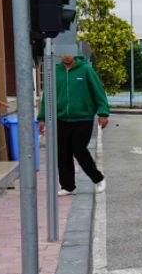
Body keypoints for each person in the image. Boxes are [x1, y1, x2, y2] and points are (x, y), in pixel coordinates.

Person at [37, 55, 109, 196]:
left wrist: (103, 112)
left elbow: (98, 91)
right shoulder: (55, 71)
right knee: (63, 153)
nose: (66, 56)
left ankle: (98, 178)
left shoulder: (86, 70)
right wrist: (42, 118)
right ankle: (68, 186)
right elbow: (48, 96)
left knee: (79, 150)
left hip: (83, 118)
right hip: (61, 118)